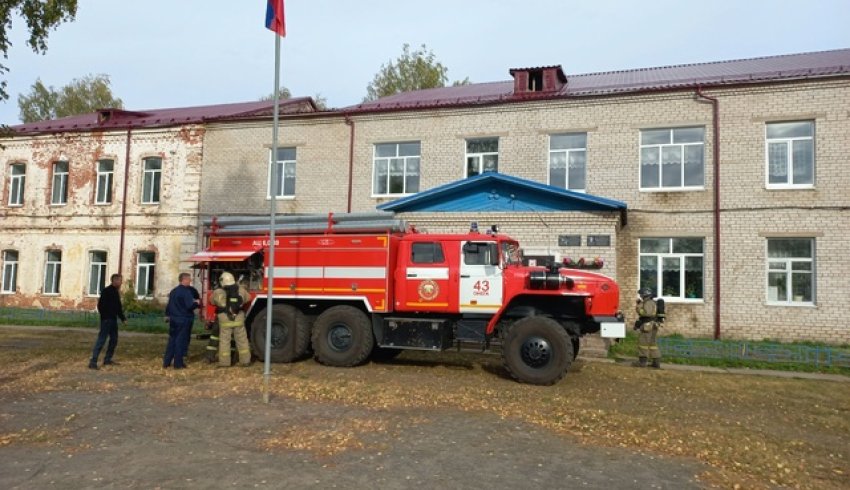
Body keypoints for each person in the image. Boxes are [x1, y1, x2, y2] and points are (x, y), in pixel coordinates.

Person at [210, 272, 251, 367]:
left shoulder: (218, 291)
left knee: (225, 341)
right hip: (238, 318)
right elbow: (248, 298)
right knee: (242, 340)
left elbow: (211, 301)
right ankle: (245, 361)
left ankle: (225, 363)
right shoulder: (241, 289)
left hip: (225, 318)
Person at [89, 274, 127, 370]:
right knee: (101, 339)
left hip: (113, 320)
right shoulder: (106, 291)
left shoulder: (115, 292)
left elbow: (118, 307)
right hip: (107, 320)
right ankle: (93, 361)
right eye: (119, 281)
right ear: (114, 281)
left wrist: (122, 318)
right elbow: (100, 306)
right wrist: (105, 316)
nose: (121, 283)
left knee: (114, 339)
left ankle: (107, 359)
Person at [163, 272, 200, 369]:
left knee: (172, 340)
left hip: (174, 318)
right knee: (181, 341)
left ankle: (166, 362)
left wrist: (167, 315)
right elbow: (189, 306)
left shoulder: (173, 291)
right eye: (189, 279)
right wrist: (196, 303)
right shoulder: (186, 292)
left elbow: (169, 305)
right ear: (184, 280)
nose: (190, 281)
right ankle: (178, 363)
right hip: (184, 318)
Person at [634, 287, 662, 368]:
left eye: (641, 294)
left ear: (645, 294)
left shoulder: (648, 302)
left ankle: (642, 363)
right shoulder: (650, 302)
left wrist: (639, 307)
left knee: (643, 343)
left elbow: (647, 313)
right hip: (653, 325)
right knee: (652, 344)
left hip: (648, 325)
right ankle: (656, 363)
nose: (640, 296)